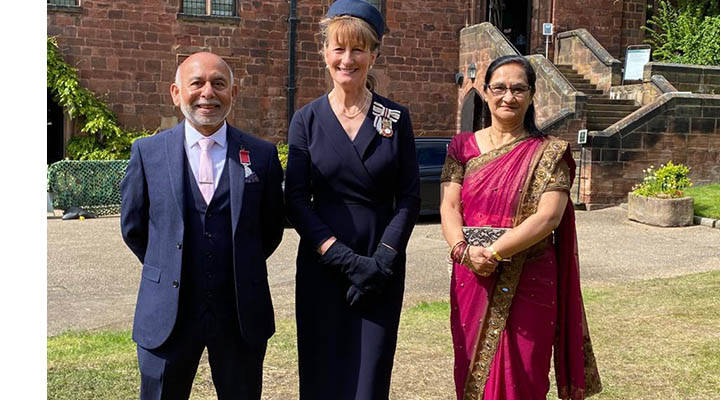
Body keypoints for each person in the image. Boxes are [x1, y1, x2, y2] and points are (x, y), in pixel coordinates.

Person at [120, 52, 284, 400]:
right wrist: (167, 264)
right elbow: (134, 227)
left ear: (233, 94)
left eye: (218, 84)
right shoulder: (147, 153)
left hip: (239, 314)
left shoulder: (262, 155)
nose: (207, 92)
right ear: (176, 93)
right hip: (167, 314)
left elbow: (270, 230)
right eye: (196, 83)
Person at [439, 55, 602, 400]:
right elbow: (450, 205)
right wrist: (462, 251)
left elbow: (548, 217)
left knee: (525, 373)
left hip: (530, 276)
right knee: (470, 372)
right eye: (499, 87)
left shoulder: (549, 153)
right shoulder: (462, 147)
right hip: (472, 275)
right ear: (485, 92)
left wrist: (495, 253)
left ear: (531, 96)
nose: (507, 97)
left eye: (518, 89)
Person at [284, 0, 421, 398]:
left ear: (374, 55)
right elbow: (295, 199)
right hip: (322, 267)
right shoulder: (306, 120)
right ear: (324, 52)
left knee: (369, 378)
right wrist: (343, 259)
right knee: (321, 372)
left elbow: (409, 197)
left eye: (358, 49)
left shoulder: (395, 118)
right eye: (338, 48)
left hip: (382, 264)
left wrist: (382, 261)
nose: (348, 59)